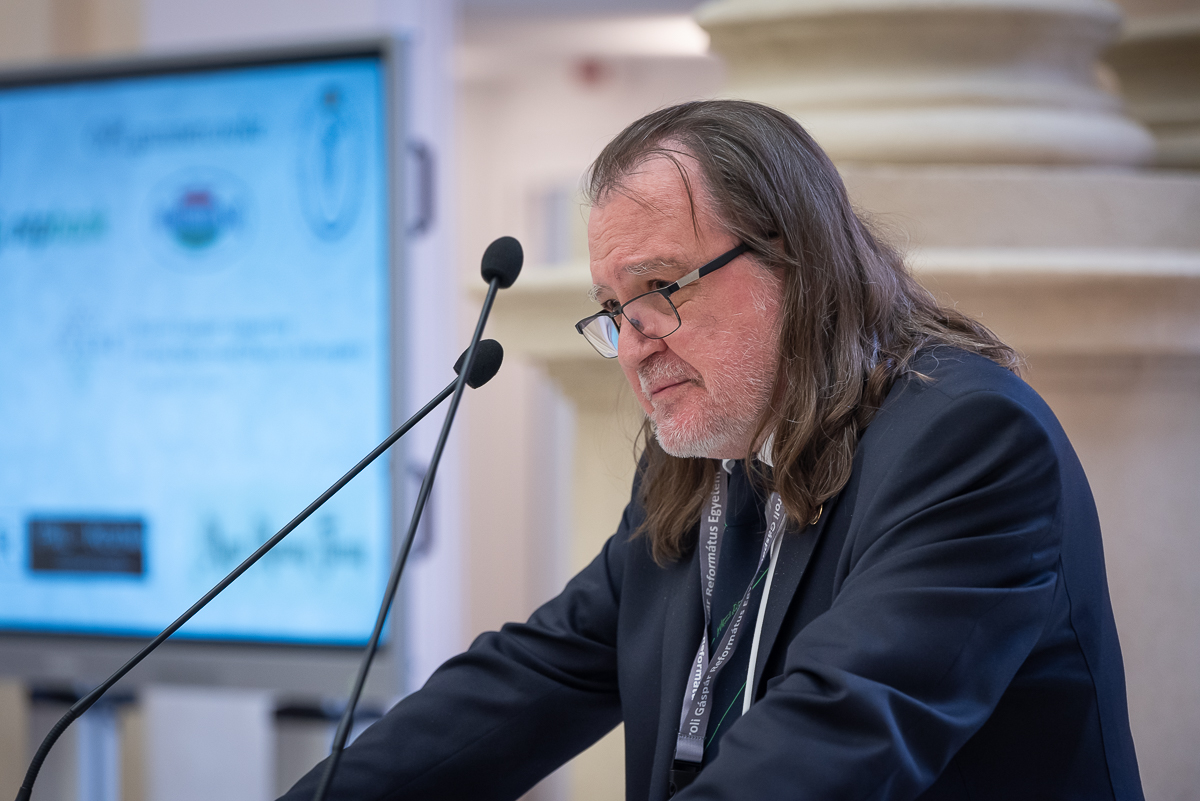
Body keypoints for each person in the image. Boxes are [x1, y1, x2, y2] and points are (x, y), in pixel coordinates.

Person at [281, 100, 1143, 800]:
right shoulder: (699, 459)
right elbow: (533, 676)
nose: (633, 344)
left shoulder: (968, 443)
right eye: (613, 309)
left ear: (793, 258)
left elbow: (833, 736)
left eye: (661, 287)